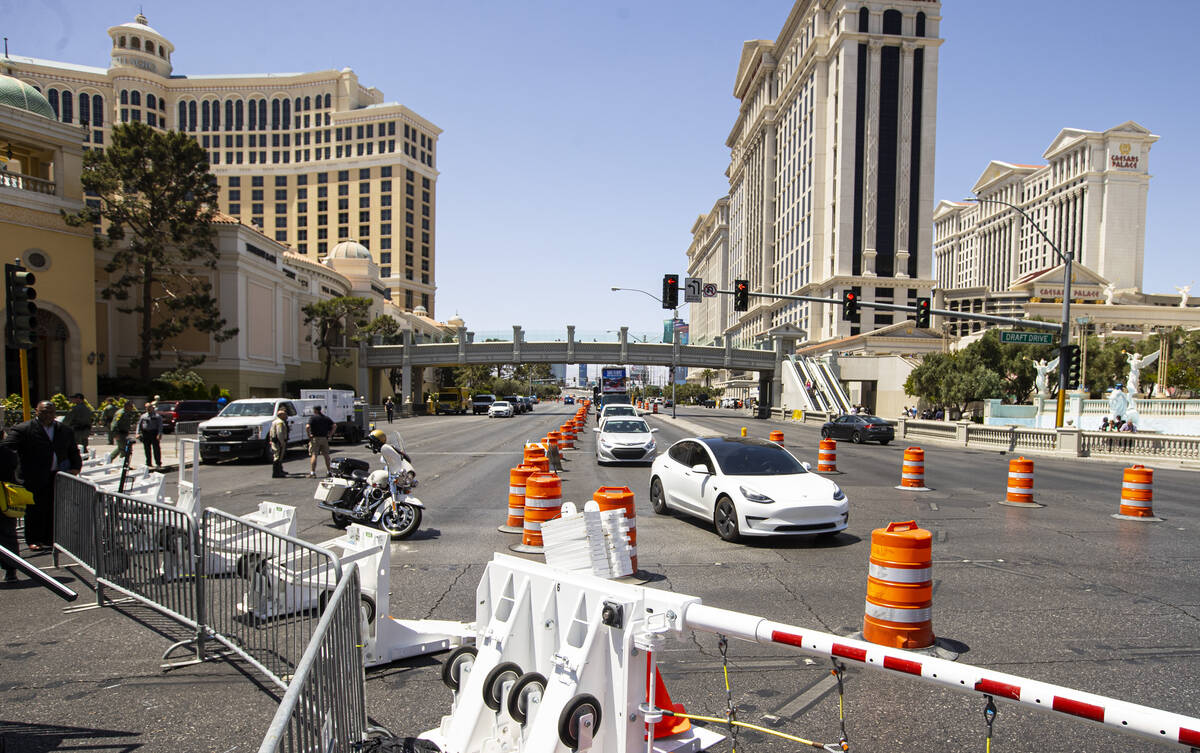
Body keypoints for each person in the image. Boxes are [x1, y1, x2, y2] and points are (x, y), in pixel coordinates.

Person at [1, 400, 82, 551]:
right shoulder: (23, 429)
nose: (48, 415)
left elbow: (73, 451)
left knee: (53, 509)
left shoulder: (64, 430)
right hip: (33, 477)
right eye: (44, 411)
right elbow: (7, 448)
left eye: (51, 412)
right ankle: (34, 539)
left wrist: (76, 467)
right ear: (36, 412)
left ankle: (51, 539)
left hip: (57, 476)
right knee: (34, 510)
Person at [306, 405, 334, 478]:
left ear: (315, 410)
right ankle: (329, 471)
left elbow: (307, 427)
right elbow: (334, 426)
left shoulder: (313, 418)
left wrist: (309, 435)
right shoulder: (325, 418)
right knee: (326, 455)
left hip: (315, 438)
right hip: (324, 438)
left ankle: (313, 472)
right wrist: (330, 434)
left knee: (314, 454)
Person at [137, 402, 164, 469]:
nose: (148, 409)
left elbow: (160, 426)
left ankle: (158, 463)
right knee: (147, 449)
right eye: (146, 407)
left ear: (152, 408)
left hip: (154, 433)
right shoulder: (143, 416)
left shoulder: (157, 416)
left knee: (156, 449)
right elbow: (139, 424)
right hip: (145, 433)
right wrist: (137, 433)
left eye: (149, 407)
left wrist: (159, 434)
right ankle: (148, 463)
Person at [269, 408, 289, 478]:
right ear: (281, 415)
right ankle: (276, 473)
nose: (286, 416)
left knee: (278, 456)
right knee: (278, 456)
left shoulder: (275, 421)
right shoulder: (279, 422)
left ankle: (279, 471)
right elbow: (279, 433)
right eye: (285, 414)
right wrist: (282, 442)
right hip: (278, 442)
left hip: (276, 441)